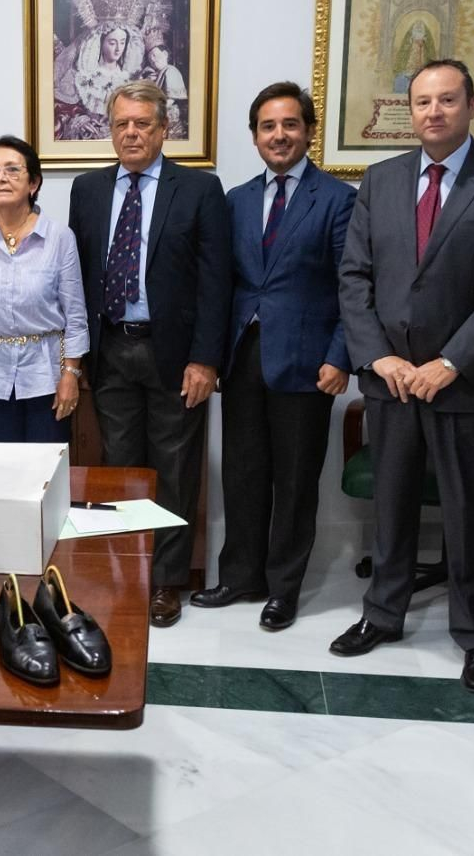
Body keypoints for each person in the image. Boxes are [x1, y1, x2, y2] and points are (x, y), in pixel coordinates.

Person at [334, 59, 474, 691]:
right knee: (392, 506)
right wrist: (380, 357)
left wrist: (449, 362)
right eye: (422, 102)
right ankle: (383, 613)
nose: (433, 112)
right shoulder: (380, 180)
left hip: (467, 384)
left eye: (446, 100)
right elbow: (355, 277)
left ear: (471, 106)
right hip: (391, 380)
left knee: (468, 512)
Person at [192, 82, 356, 631]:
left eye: (289, 124)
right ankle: (241, 575)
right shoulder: (235, 200)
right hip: (243, 358)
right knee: (242, 473)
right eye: (268, 126)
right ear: (255, 136)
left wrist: (341, 357)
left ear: (308, 131)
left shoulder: (337, 199)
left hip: (309, 364)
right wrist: (211, 357)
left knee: (294, 480)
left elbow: (351, 286)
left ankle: (284, 588)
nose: (279, 135)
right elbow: (220, 285)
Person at [68, 81, 230, 627]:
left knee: (174, 471)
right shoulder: (87, 191)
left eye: (142, 123)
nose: (131, 132)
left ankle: (165, 583)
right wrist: (77, 355)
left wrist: (206, 359)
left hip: (176, 356)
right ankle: (125, 573)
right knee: (121, 471)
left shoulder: (199, 190)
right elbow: (79, 277)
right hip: (111, 348)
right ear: (109, 130)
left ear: (164, 129)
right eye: (121, 124)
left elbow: (216, 282)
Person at [0, 135, 87, 442]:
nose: (1, 178)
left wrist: (71, 375)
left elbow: (75, 316)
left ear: (33, 183)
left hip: (47, 377)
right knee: (1, 469)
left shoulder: (59, 237)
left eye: (12, 170)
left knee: (46, 470)